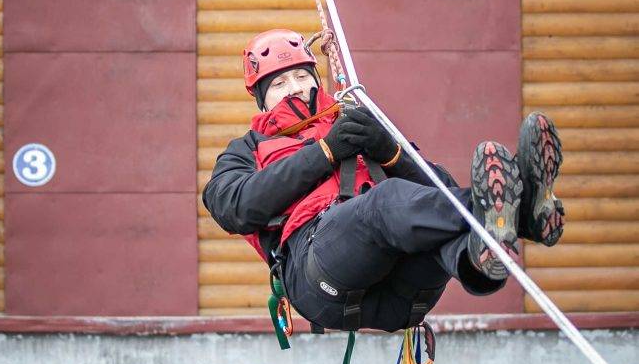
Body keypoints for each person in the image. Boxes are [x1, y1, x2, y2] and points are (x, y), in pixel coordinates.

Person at [202, 29, 565, 333]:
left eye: (302, 76)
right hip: (319, 277)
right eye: (279, 83)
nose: (295, 88)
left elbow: (441, 192)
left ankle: (481, 260)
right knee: (386, 202)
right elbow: (232, 206)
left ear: (316, 78)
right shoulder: (249, 149)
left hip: (403, 298)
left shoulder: (357, 121)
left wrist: (392, 152)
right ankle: (521, 215)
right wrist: (324, 152)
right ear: (261, 99)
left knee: (434, 224)